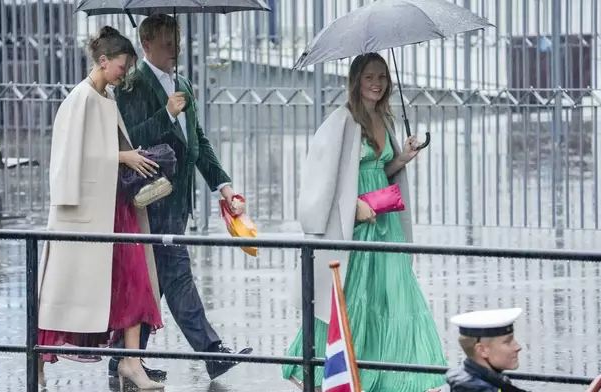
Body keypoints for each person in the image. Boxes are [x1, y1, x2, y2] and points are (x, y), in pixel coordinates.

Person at [281, 52, 447, 391]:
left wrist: (403, 157)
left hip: (385, 222)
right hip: (354, 223)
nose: (377, 83)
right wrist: (352, 205)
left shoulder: (385, 120)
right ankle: (321, 368)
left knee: (392, 295)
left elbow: (379, 172)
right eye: (370, 76)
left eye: (383, 77)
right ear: (356, 80)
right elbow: (323, 179)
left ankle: (388, 373)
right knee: (354, 296)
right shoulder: (341, 121)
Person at [110, 13, 253, 381]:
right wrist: (166, 113)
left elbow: (198, 143)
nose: (175, 49)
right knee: (176, 277)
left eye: (177, 41)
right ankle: (211, 352)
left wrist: (224, 186)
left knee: (154, 282)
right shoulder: (133, 85)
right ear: (146, 45)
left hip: (178, 202)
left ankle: (122, 356)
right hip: (150, 200)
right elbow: (130, 139)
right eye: (166, 43)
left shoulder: (183, 84)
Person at [37, 26, 165, 390]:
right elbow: (67, 160)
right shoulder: (79, 99)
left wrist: (127, 156)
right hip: (85, 213)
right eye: (122, 66)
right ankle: (39, 358)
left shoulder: (104, 97)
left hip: (114, 209)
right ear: (103, 61)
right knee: (62, 293)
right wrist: (122, 155)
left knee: (136, 283)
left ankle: (131, 362)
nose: (125, 72)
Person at [446, 308, 527, 392]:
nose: (518, 347)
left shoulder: (469, 379)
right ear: (482, 350)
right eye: (508, 342)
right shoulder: (480, 388)